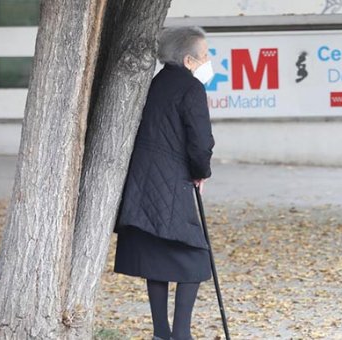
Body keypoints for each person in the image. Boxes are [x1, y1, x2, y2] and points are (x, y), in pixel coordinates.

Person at [113, 26, 216, 340]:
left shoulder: (153, 83)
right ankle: (181, 334)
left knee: (155, 254)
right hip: (172, 181)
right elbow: (200, 143)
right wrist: (201, 171)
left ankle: (161, 333)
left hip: (141, 181)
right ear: (188, 60)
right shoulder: (191, 88)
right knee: (197, 257)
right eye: (206, 55)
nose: (209, 60)